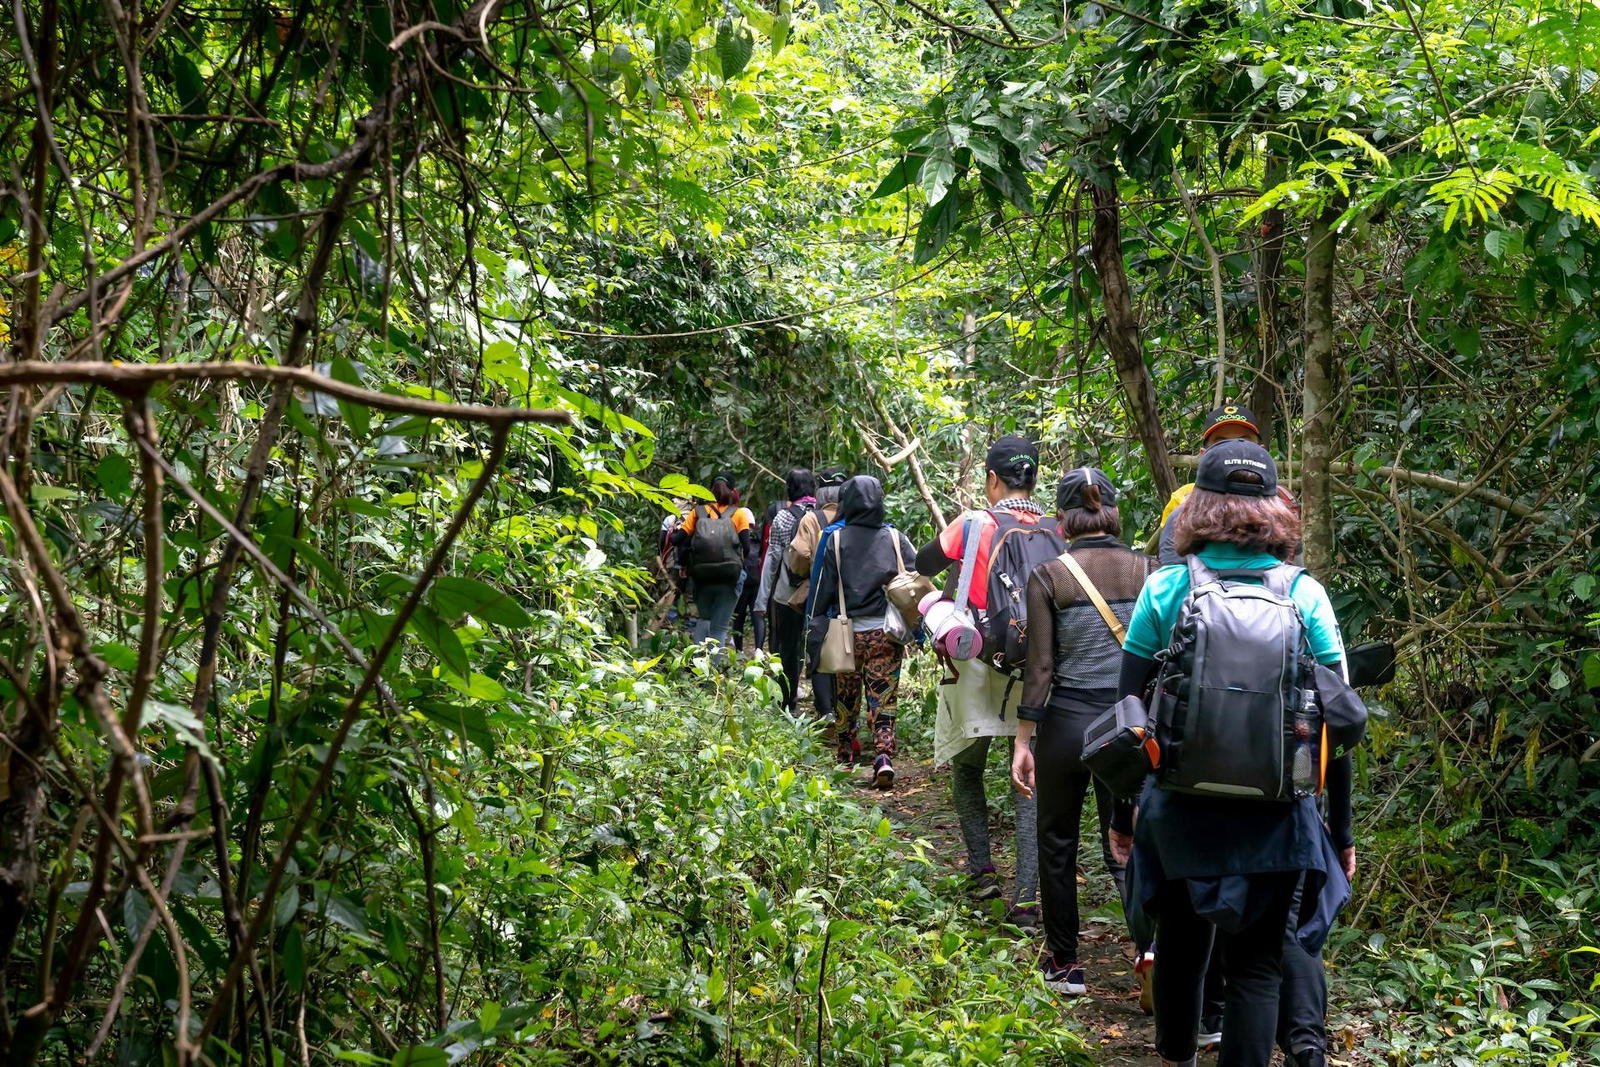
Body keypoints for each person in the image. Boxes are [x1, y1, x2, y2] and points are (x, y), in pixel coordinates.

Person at [1111, 439, 1353, 1067]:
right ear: (1276, 508)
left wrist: (1123, 816)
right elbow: (1337, 721)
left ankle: (1177, 1058)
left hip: (1180, 808)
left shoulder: (1167, 588)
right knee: (1256, 967)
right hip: (1278, 815)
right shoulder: (1305, 593)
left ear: (1198, 507)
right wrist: (1340, 830)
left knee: (1183, 947)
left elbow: (1127, 712)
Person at [1011, 467, 1156, 994]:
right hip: (1129, 728)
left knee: (1057, 843)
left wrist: (1024, 739)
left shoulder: (1049, 575)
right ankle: (1151, 949)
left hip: (1069, 726)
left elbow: (1040, 668)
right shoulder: (1151, 570)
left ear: (1063, 518)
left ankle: (1065, 965)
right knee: (1134, 840)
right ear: (1112, 511)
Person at [914, 435, 1048, 923]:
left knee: (968, 770)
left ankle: (982, 873)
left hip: (974, 660)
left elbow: (924, 564)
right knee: (1028, 781)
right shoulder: (1055, 528)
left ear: (992, 478)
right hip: (1036, 671)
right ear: (1033, 477)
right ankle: (1029, 896)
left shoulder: (974, 522)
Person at [808, 475, 916, 789]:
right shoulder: (894, 537)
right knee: (884, 697)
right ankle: (883, 756)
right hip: (886, 632)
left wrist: (813, 626)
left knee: (846, 695)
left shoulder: (836, 539)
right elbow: (913, 579)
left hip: (846, 632)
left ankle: (846, 754)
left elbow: (821, 590)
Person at [1156, 404, 1299, 567]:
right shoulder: (1181, 501)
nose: (1234, 448)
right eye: (1221, 442)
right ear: (1203, 455)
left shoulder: (1282, 502)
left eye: (1244, 440)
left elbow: (1294, 567)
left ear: (1261, 451)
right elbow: (1171, 568)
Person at [787, 468, 849, 746]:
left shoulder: (812, 519)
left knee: (820, 651)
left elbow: (799, 556)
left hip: (820, 594)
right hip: (854, 596)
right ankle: (847, 712)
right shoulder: (857, 517)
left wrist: (804, 571)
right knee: (848, 653)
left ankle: (826, 712)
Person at [755, 470, 818, 712]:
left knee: (787, 647)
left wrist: (761, 601)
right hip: (816, 592)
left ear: (789, 489)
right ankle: (826, 704)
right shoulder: (823, 515)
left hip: (786, 594)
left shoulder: (782, 517)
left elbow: (772, 560)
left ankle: (787, 701)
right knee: (814, 643)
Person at [672, 473, 755, 654]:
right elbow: (747, 548)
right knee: (720, 627)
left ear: (709, 491)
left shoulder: (698, 512)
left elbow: (677, 539)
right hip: (730, 577)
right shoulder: (738, 514)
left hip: (702, 576)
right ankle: (712, 674)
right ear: (733, 491)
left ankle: (698, 667)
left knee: (704, 620)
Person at [729, 489, 765, 653]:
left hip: (742, 580)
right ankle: (759, 649)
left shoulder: (736, 537)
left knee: (739, 615)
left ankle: (738, 650)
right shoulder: (759, 537)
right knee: (757, 615)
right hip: (757, 580)